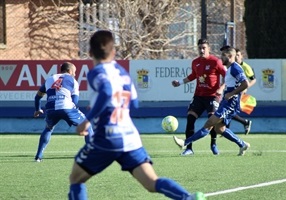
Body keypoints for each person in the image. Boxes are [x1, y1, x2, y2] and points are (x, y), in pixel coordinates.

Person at [67, 30, 205, 200]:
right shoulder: (122, 73)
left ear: (90, 53)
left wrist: (87, 120)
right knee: (152, 182)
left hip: (107, 137)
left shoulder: (96, 72)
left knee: (75, 179)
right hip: (130, 138)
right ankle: (187, 198)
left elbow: (106, 91)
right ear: (114, 52)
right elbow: (134, 103)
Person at [173, 47, 250, 156]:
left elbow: (245, 83)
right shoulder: (229, 69)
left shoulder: (235, 68)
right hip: (226, 102)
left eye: (223, 55)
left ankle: (185, 143)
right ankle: (242, 144)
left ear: (230, 56)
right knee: (219, 129)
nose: (221, 57)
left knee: (209, 123)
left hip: (230, 104)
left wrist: (232, 94)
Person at [172, 39, 226, 156]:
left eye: (204, 48)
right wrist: (180, 82)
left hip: (213, 97)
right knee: (190, 119)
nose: (201, 50)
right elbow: (193, 76)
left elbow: (228, 76)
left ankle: (213, 144)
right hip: (199, 96)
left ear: (209, 49)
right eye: (200, 48)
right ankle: (189, 149)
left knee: (212, 121)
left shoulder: (216, 62)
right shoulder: (195, 62)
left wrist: (221, 89)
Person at [33, 62, 93, 162]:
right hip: (66, 107)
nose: (75, 74)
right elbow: (75, 101)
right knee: (88, 125)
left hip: (51, 108)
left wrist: (37, 109)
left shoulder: (49, 79)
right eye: (74, 72)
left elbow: (38, 96)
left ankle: (38, 156)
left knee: (48, 128)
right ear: (69, 71)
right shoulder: (73, 81)